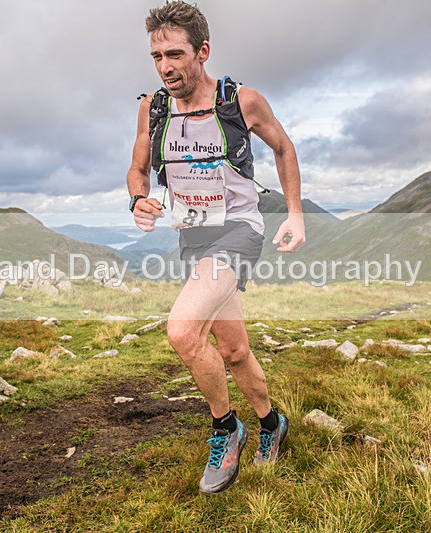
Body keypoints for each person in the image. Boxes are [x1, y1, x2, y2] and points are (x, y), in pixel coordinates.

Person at [127, 1, 306, 494]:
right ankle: (272, 424)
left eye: (175, 54)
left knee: (183, 332)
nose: (165, 67)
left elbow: (284, 147)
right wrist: (138, 200)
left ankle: (227, 429)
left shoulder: (241, 101)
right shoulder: (153, 107)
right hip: (192, 235)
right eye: (156, 56)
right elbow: (138, 168)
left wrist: (294, 212)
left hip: (238, 231)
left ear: (203, 52)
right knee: (233, 348)